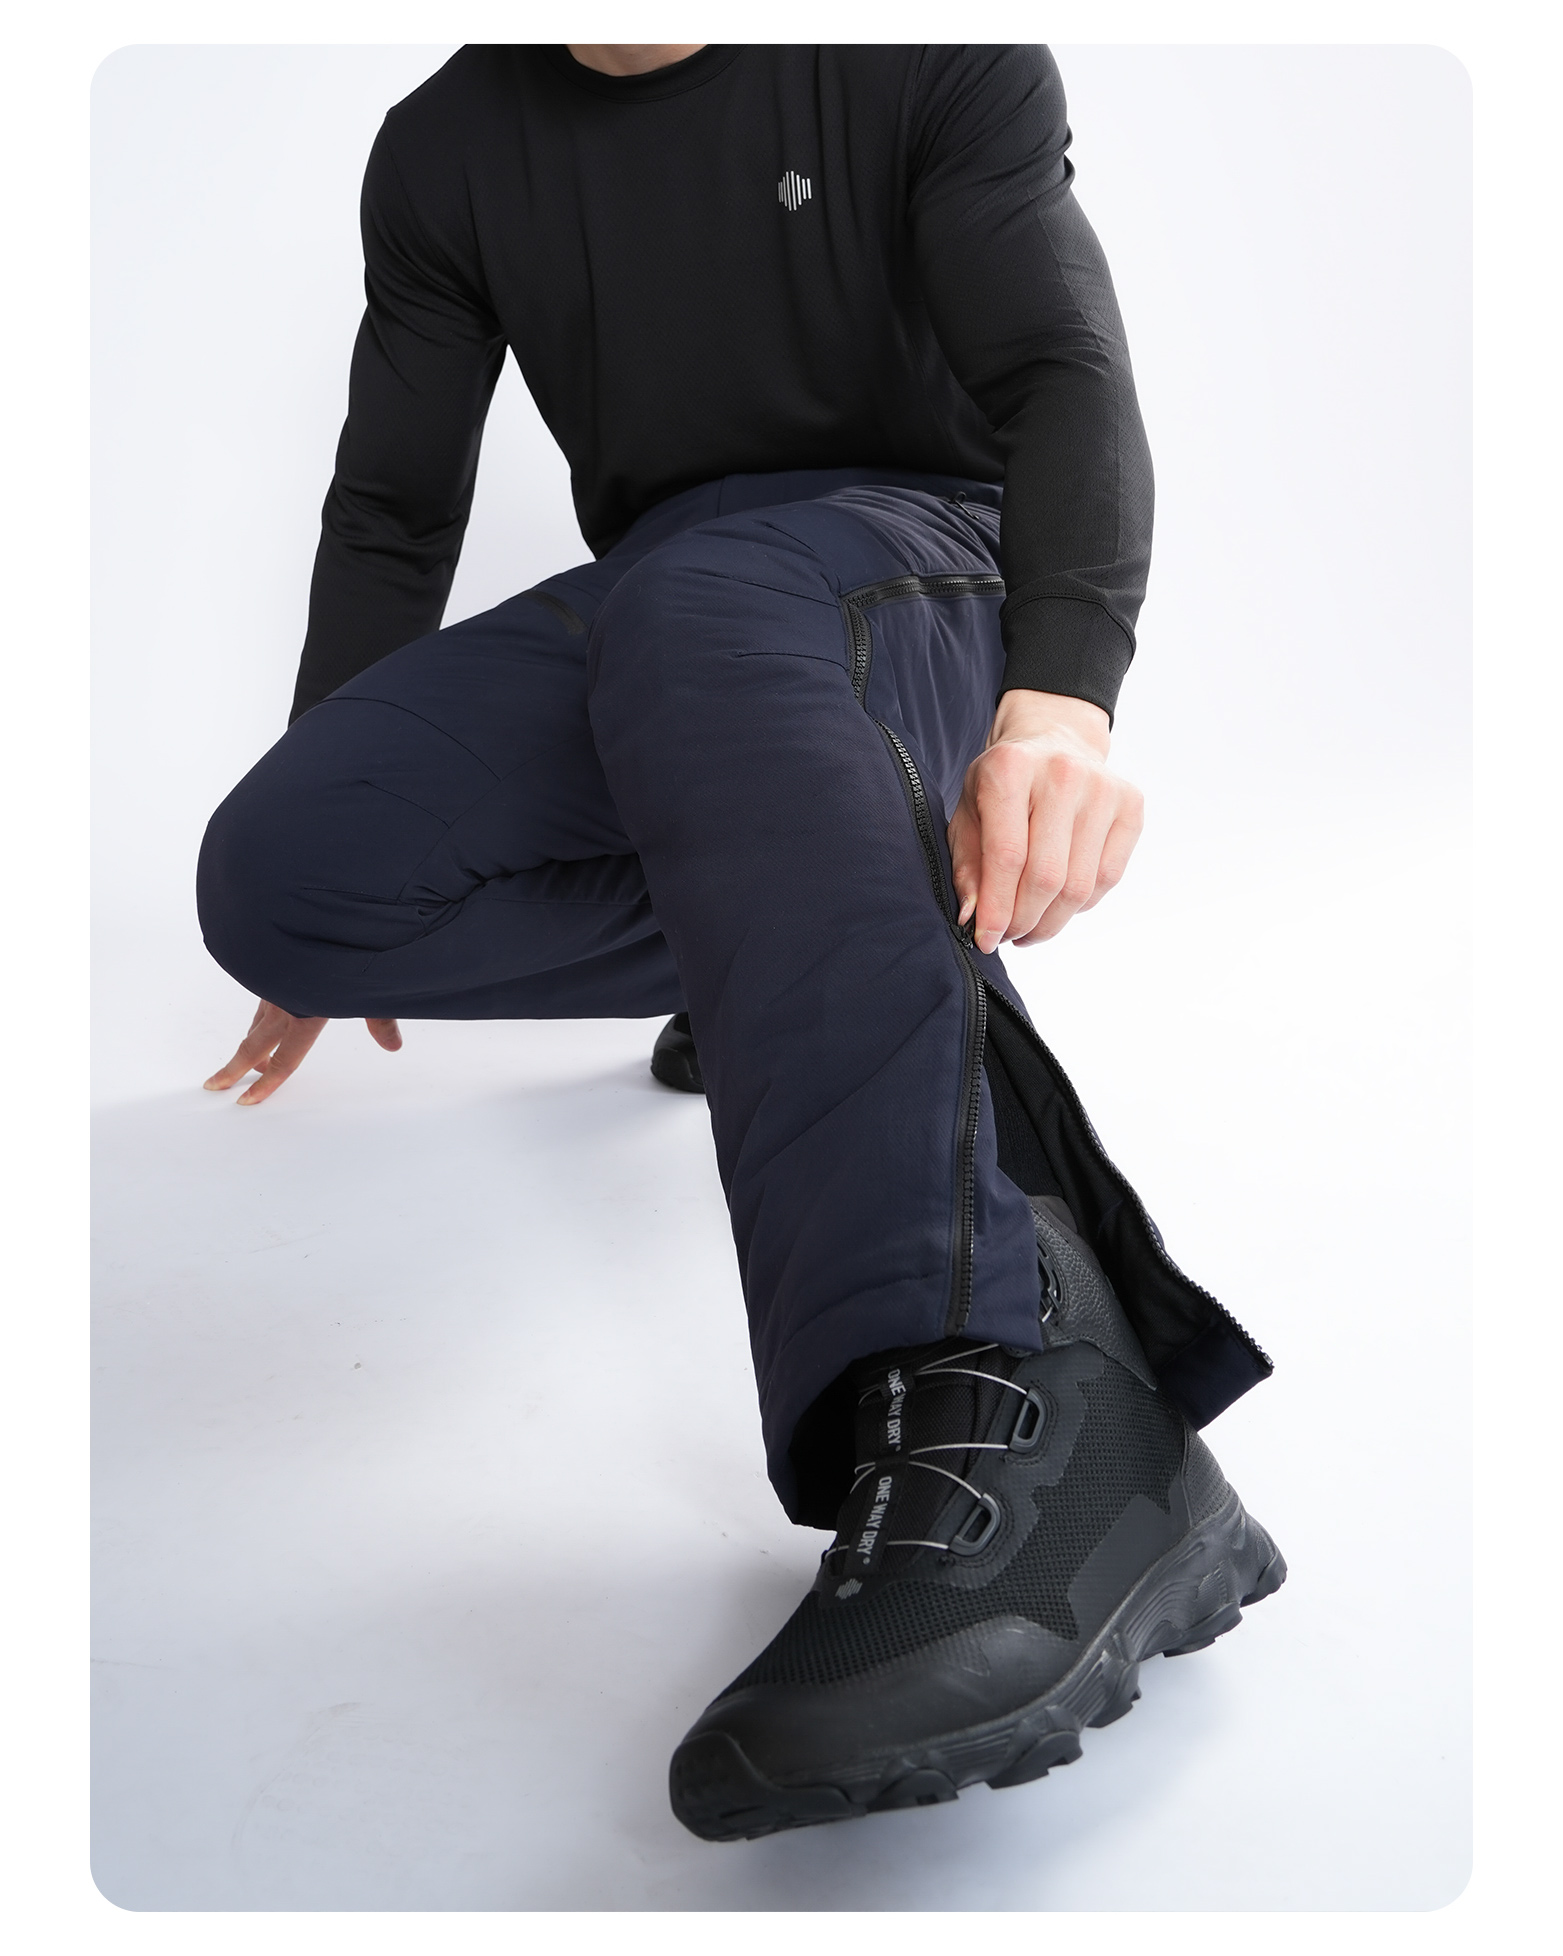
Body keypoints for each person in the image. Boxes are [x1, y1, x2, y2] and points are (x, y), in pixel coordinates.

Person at [196, 43, 1284, 1842]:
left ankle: (1038, 1400)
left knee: (705, 601)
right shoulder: (448, 144)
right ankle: (801, 911)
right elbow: (391, 504)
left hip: (929, 556)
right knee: (290, 874)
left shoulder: (924, 52)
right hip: (677, 619)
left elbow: (1059, 371)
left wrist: (1062, 700)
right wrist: (333, 874)